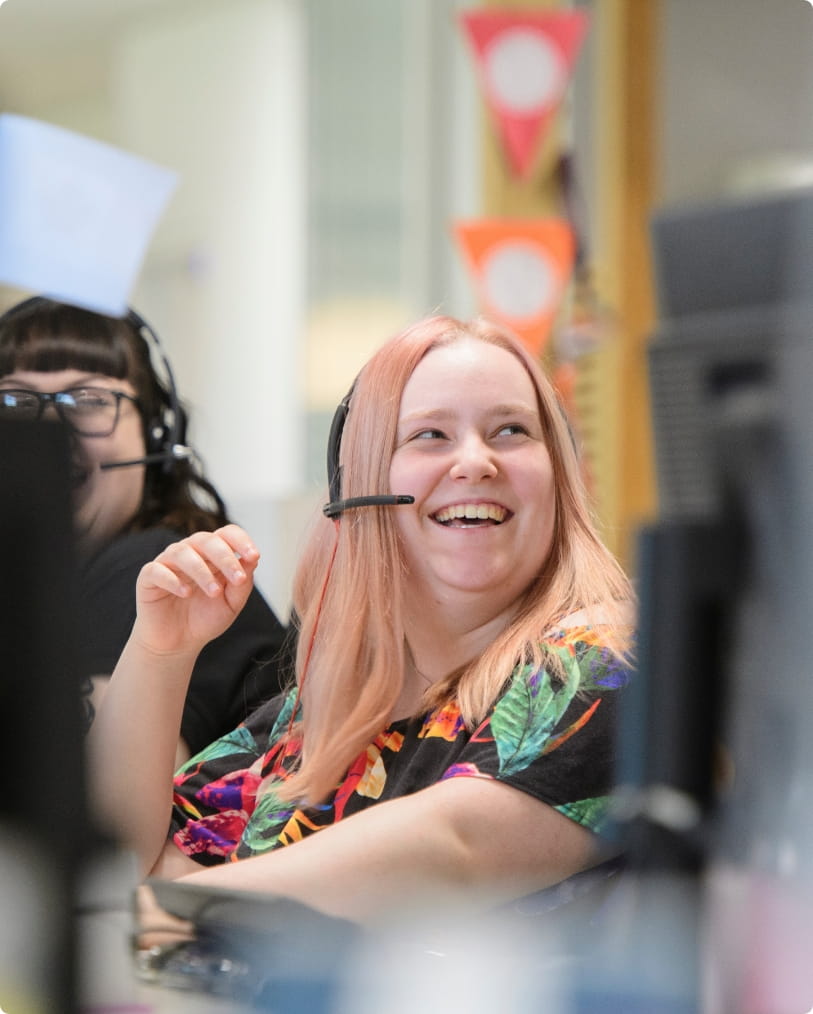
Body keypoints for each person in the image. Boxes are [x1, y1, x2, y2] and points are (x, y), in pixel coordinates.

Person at [90, 314, 635, 928]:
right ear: (357, 487)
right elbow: (116, 857)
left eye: (511, 430)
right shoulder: (316, 722)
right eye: (430, 435)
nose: (476, 462)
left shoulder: (606, 657)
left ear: (558, 479)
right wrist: (159, 652)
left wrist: (181, 902)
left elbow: (453, 848)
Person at [0, 296, 291, 763]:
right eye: (13, 400)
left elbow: (90, 805)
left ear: (154, 434)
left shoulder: (157, 568)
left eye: (89, 399)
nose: (50, 427)